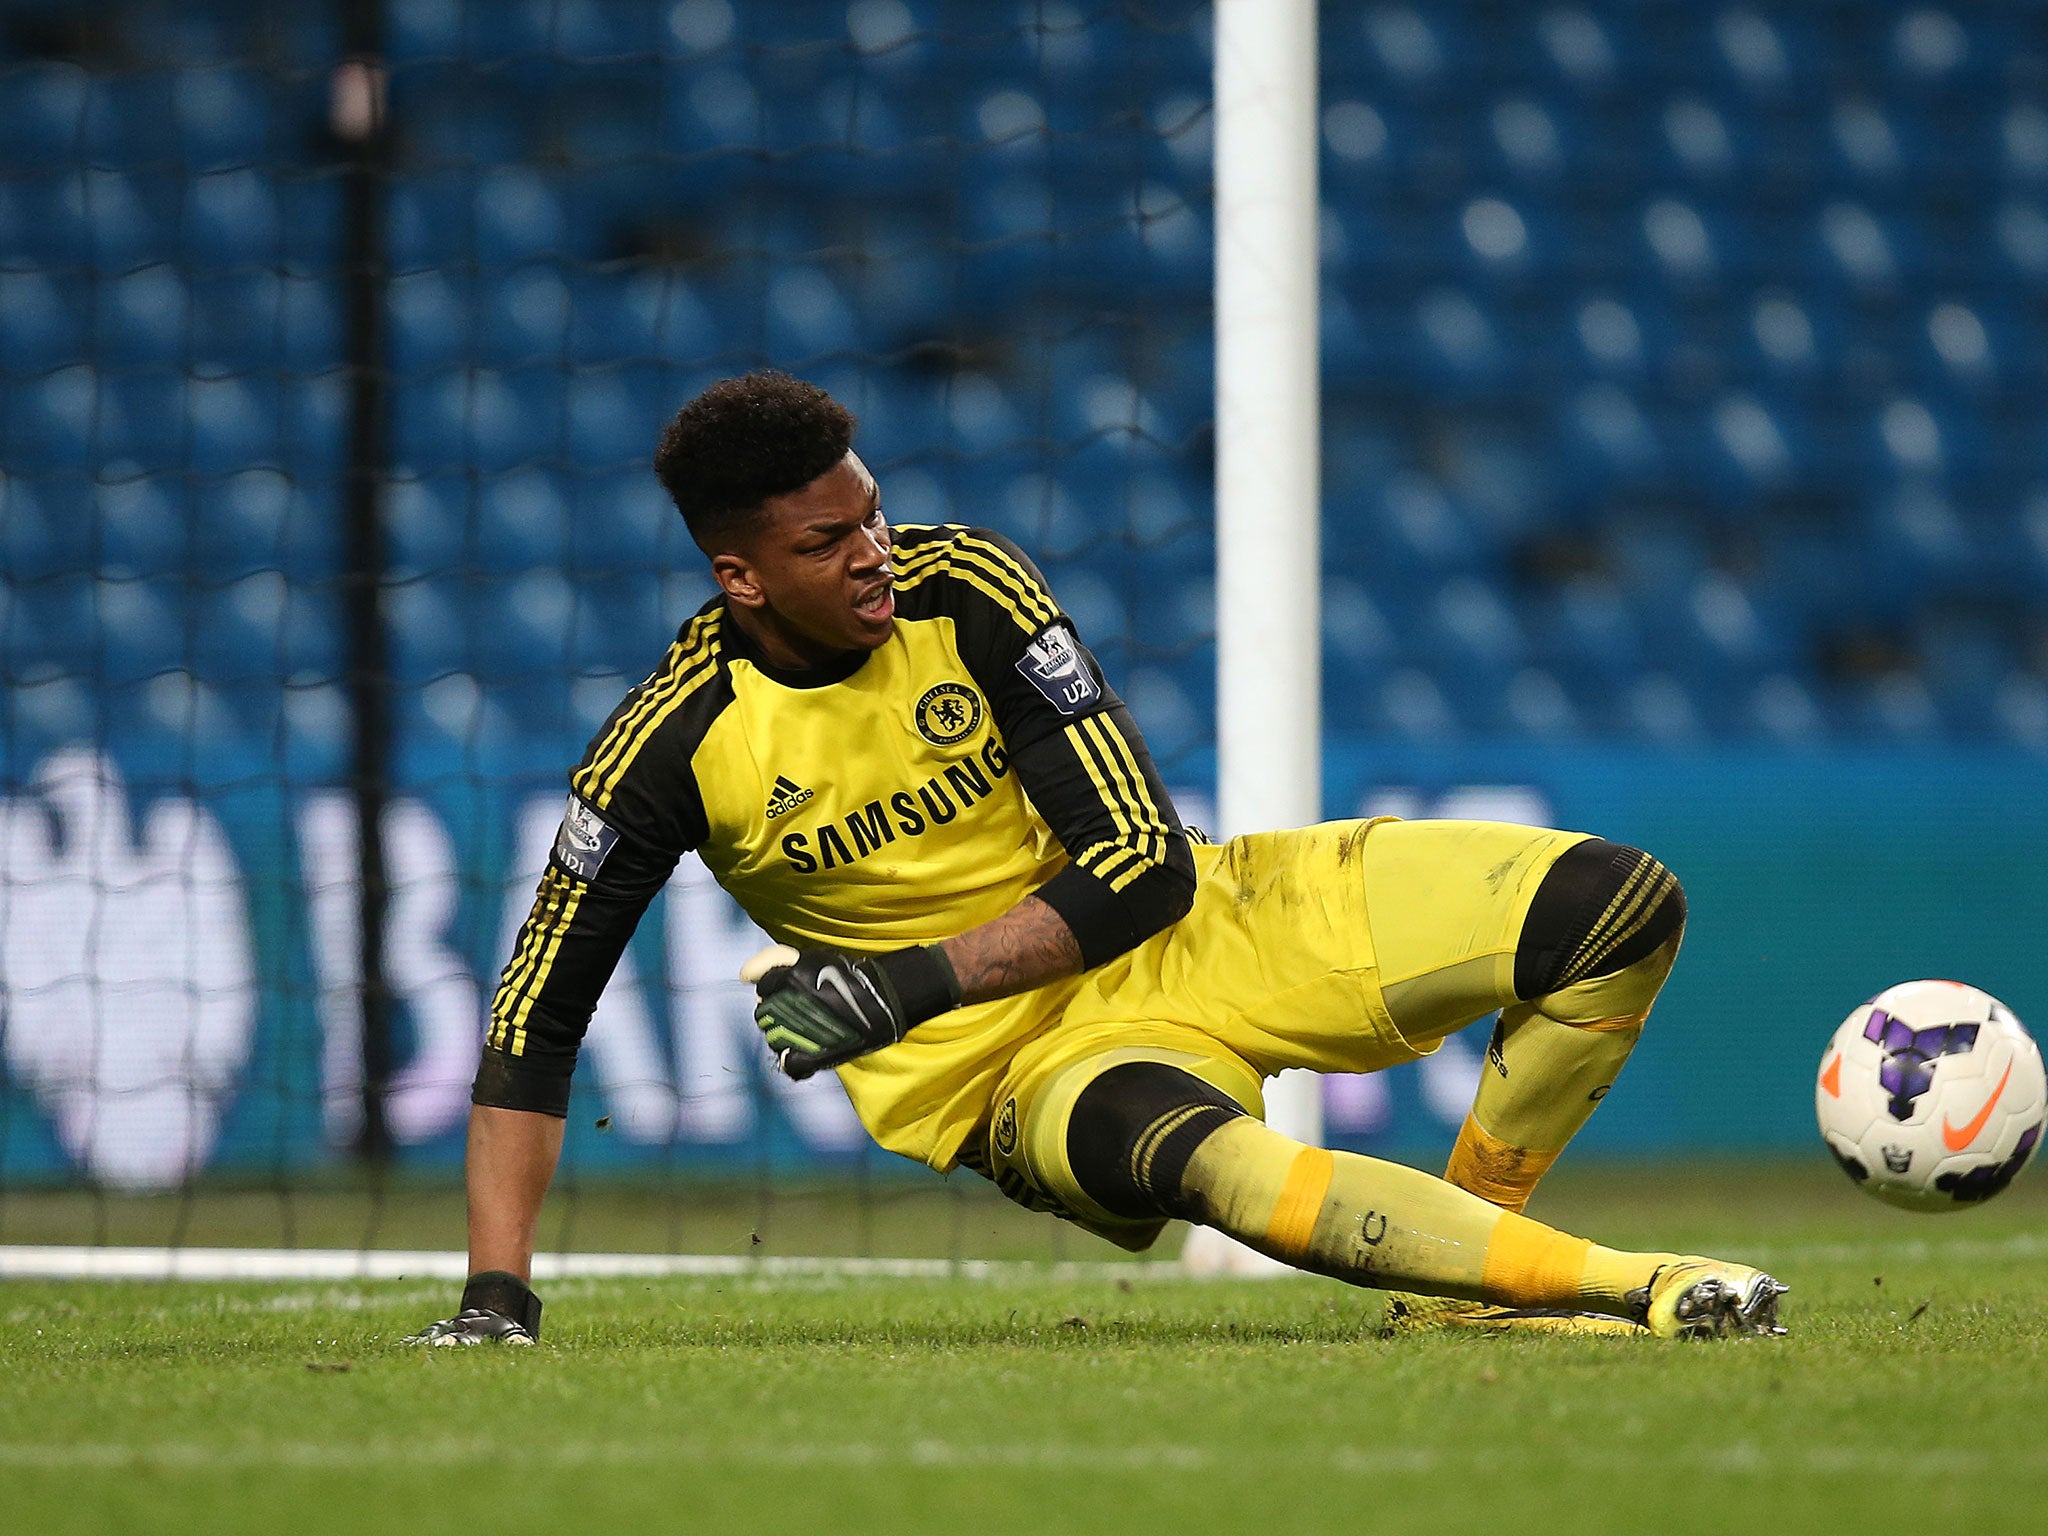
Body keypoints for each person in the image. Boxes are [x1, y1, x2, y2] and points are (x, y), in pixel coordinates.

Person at [407, 371, 1786, 1347]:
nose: (877, 555)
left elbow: (1142, 864)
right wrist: (497, 1297)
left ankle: (1476, 1265)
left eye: (873, 512)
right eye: (830, 545)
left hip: (1203, 920)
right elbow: (536, 1024)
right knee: (1208, 1164)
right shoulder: (670, 747)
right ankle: (1630, 1284)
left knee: (1617, 906)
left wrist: (902, 984)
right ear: (741, 576)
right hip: (1016, 1071)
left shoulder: (970, 589)